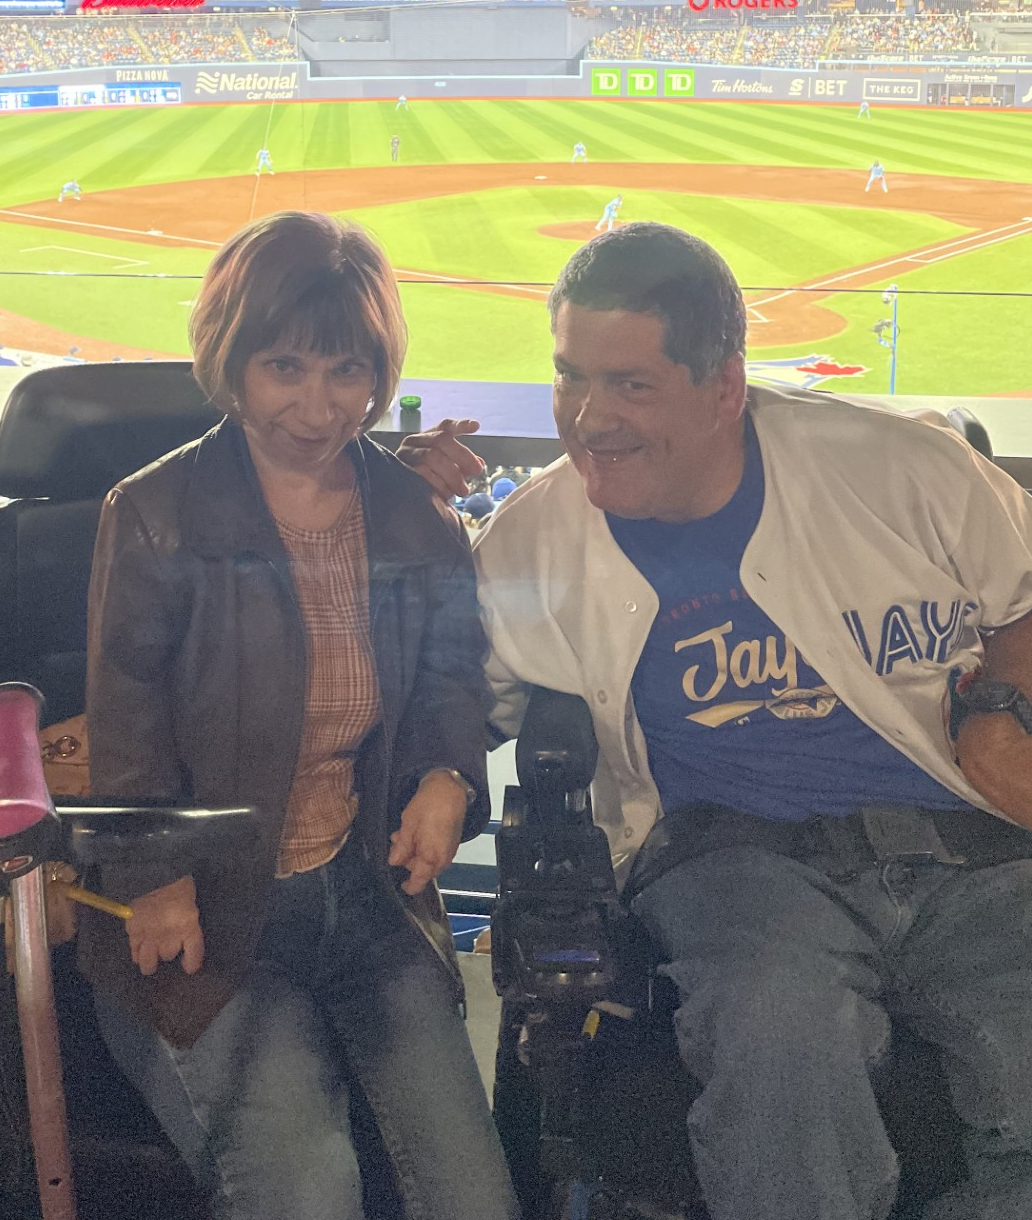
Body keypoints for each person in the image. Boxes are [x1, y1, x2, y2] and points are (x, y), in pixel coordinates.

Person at [398, 221, 1032, 1220]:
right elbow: (449, 698)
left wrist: (997, 708)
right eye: (570, 378)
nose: (588, 418)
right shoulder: (531, 544)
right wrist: (440, 771)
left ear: (724, 386)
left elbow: (1021, 599)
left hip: (974, 855)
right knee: (781, 1051)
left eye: (631, 385)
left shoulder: (904, 470)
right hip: (740, 862)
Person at [82, 211, 520, 1220]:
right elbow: (128, 719)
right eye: (284, 367)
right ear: (231, 361)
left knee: (472, 1196)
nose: (317, 407)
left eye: (345, 372)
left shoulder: (412, 512)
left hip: (363, 901)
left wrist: (450, 775)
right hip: (210, 909)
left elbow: (453, 674)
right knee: (307, 1189)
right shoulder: (155, 512)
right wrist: (156, 875)